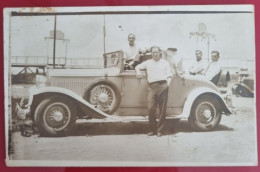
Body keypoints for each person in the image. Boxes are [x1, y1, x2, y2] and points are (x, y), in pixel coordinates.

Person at [135, 46, 172, 137]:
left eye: (156, 52)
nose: (155, 54)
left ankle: (160, 131)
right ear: (151, 53)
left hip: (163, 85)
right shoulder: (148, 63)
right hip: (152, 87)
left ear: (160, 53)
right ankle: (153, 130)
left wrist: (167, 85)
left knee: (162, 110)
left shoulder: (165, 63)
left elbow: (170, 75)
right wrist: (138, 72)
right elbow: (137, 67)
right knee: (151, 108)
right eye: (153, 52)